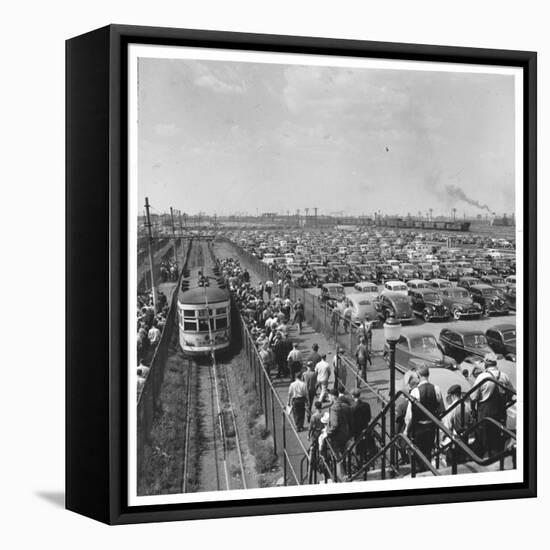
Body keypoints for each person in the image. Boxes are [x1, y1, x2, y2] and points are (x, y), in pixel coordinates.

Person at [469, 353, 514, 458]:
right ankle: (498, 456)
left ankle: (486, 457)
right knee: (498, 437)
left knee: (485, 438)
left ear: (486, 364)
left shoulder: (482, 377)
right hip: (500, 413)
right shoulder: (504, 376)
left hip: (485, 413)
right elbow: (511, 394)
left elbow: (473, 397)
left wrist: (473, 410)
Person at [405, 365, 445, 471]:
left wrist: (406, 430)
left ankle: (420, 472)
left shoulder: (415, 392)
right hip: (431, 427)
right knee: (429, 452)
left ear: (418, 375)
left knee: (418, 453)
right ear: (428, 374)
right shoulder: (436, 389)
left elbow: (409, 416)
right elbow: (441, 409)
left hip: (419, 428)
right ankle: (428, 470)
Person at [442, 384, 473, 465]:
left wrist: (442, 438)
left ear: (452, 395)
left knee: (452, 463)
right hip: (465, 437)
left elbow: (448, 426)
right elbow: (470, 421)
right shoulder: (467, 406)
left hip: (454, 439)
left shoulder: (451, 408)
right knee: (463, 462)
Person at [350, 388, 373, 464]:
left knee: (358, 446)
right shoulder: (367, 405)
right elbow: (369, 417)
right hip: (365, 427)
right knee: (365, 444)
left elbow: (352, 421)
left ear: (353, 396)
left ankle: (360, 462)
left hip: (357, 430)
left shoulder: (353, 408)